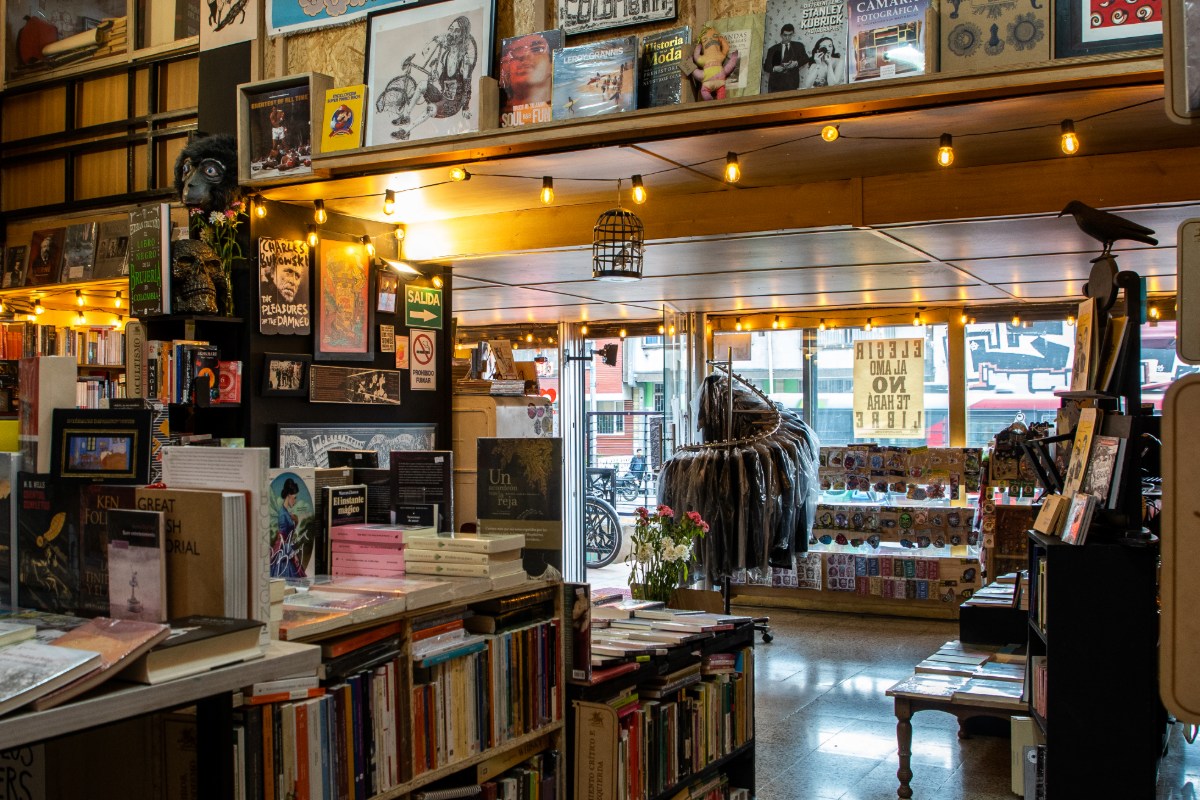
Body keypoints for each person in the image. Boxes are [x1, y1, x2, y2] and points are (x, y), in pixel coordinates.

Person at [500, 32, 553, 111]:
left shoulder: (563, 111)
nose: (524, 55)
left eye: (537, 49)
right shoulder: (499, 118)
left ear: (552, 64)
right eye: (515, 52)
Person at [271, 477, 306, 578]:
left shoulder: (286, 512)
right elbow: (282, 539)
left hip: (288, 549)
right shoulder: (283, 514)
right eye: (294, 497)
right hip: (284, 553)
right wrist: (293, 554)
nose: (295, 501)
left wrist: (296, 521)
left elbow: (289, 532)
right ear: (288, 496)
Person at [762, 23, 807, 92]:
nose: (787, 38)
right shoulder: (773, 49)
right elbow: (766, 67)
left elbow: (806, 58)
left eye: (790, 35)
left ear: (793, 34)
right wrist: (774, 68)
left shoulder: (798, 46)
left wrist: (796, 63)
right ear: (781, 35)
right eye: (785, 35)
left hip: (792, 83)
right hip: (775, 84)